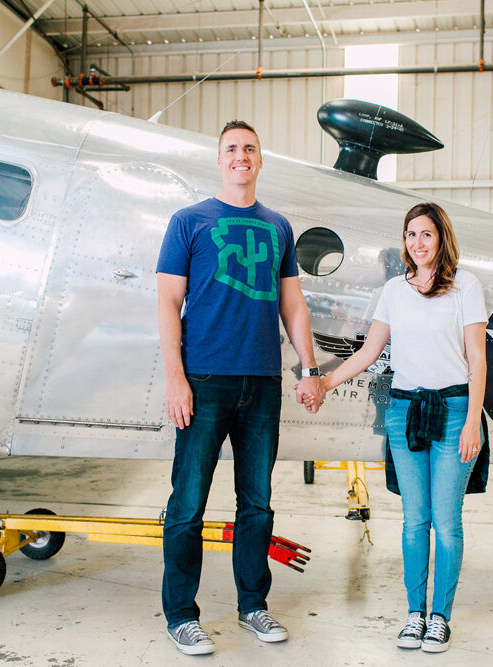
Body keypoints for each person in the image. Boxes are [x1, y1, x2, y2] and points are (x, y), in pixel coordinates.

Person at [156, 120, 325, 656]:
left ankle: (253, 606)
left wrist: (309, 366)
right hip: (203, 381)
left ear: (260, 159)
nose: (241, 156)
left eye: (250, 148)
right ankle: (181, 615)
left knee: (258, 504)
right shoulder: (189, 221)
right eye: (232, 149)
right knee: (187, 504)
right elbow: (167, 304)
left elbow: (292, 304)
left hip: (262, 383)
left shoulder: (277, 227)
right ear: (220, 159)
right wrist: (176, 379)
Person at [310, 202, 487, 653]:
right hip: (404, 410)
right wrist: (326, 381)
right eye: (411, 235)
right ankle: (414, 614)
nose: (418, 243)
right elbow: (370, 352)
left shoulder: (465, 286)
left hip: (453, 410)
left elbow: (478, 359)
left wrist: (472, 423)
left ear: (441, 238)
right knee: (414, 521)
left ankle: (440, 618)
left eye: (426, 234)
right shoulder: (393, 289)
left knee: (446, 523)